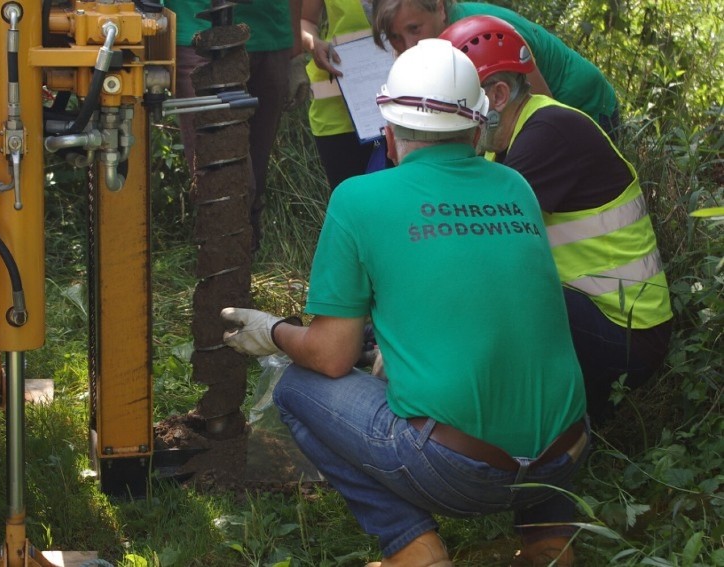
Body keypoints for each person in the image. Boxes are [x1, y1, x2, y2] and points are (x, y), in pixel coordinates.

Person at [221, 39, 589, 567]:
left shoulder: (358, 198)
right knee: (527, 387)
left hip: (460, 471)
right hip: (565, 457)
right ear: (477, 127)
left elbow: (331, 355)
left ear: (388, 131)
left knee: (299, 387)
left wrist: (272, 331)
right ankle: (549, 540)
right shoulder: (515, 186)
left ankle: (412, 546)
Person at [441, 16, 673, 425]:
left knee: (499, 294)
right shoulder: (506, 142)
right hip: (597, 313)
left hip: (628, 332)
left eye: (457, 102)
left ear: (496, 95)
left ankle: (548, 429)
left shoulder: (548, 133)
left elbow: (475, 249)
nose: (450, 116)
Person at [370, 0, 622, 139]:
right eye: (395, 37)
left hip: (583, 106)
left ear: (440, 7)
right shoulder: (432, 41)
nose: (408, 46)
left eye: (415, 29)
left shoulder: (483, 36)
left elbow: (543, 112)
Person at [164, 0, 303, 250]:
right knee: (223, 180)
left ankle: (240, 273)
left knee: (255, 181)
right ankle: (221, 277)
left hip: (271, 33)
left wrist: (296, 52)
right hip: (199, 33)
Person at [301, 0, 388, 189]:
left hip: (407, 108)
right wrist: (314, 43)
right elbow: (305, 20)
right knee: (351, 204)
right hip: (338, 115)